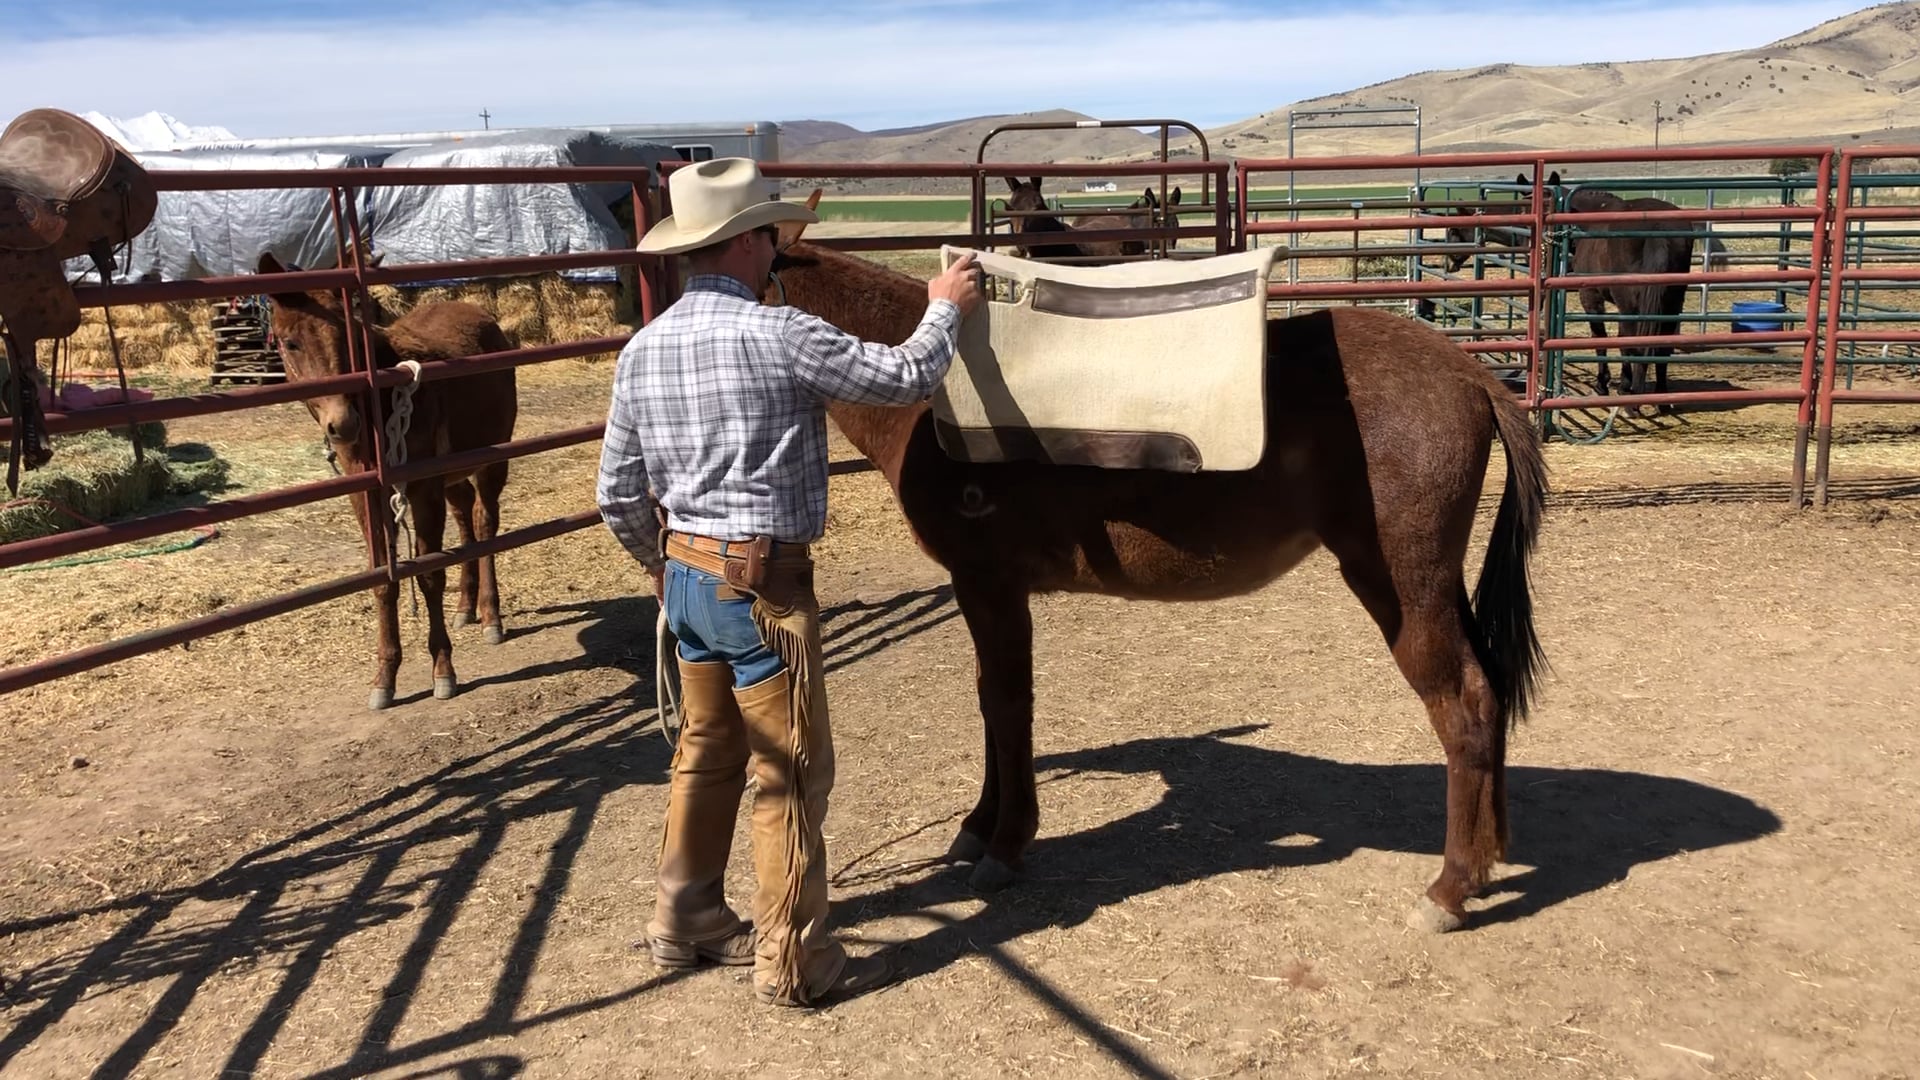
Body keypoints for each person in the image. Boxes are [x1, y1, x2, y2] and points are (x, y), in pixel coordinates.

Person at [595, 157, 984, 1007]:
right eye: (769, 231)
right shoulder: (781, 332)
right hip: (763, 585)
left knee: (704, 754)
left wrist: (657, 567)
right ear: (749, 241)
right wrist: (942, 309)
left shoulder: (643, 350)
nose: (776, 245)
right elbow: (904, 378)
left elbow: (616, 493)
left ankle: (686, 913)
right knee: (790, 769)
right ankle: (798, 961)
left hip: (689, 578)